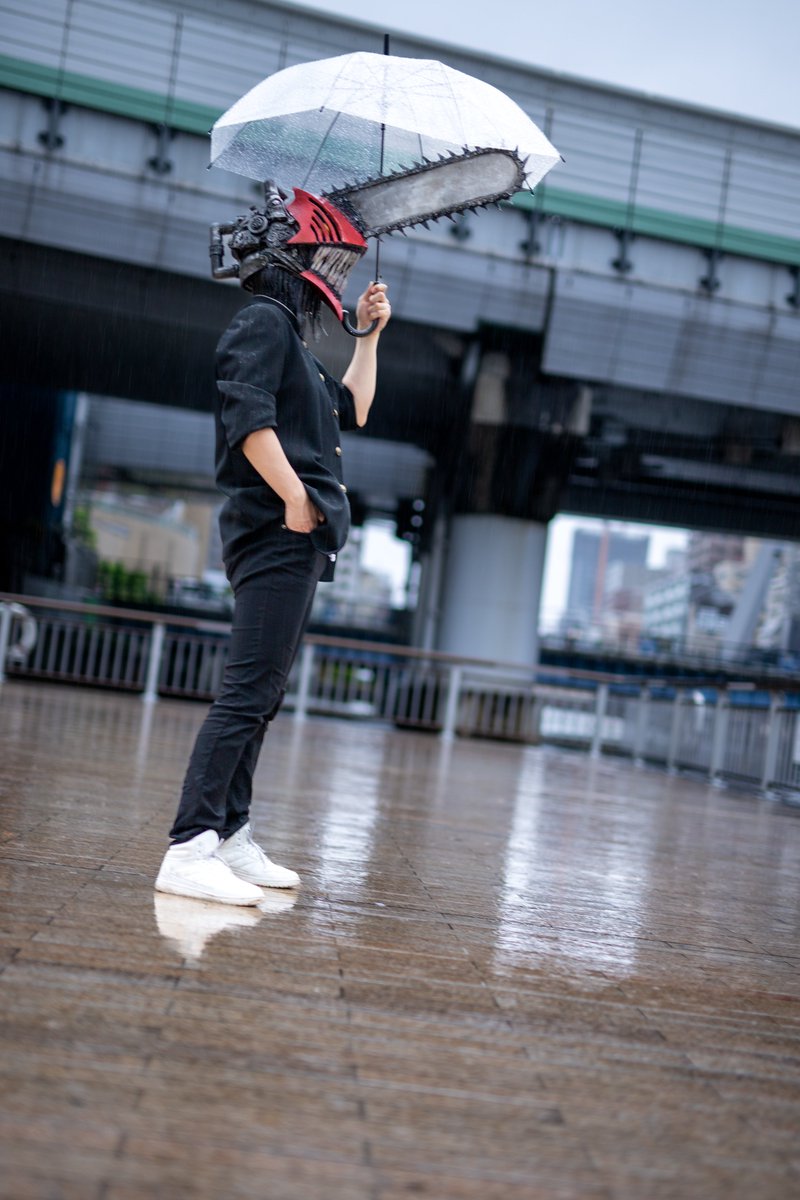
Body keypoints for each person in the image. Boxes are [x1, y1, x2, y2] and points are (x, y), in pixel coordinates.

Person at [155, 184, 391, 905]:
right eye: (328, 260)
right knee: (246, 694)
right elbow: (248, 421)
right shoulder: (261, 322)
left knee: (261, 695)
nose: (334, 277)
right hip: (275, 531)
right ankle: (190, 844)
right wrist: (294, 500)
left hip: (296, 536)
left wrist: (369, 335)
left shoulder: (295, 344)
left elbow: (355, 407)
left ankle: (229, 834)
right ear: (293, 261)